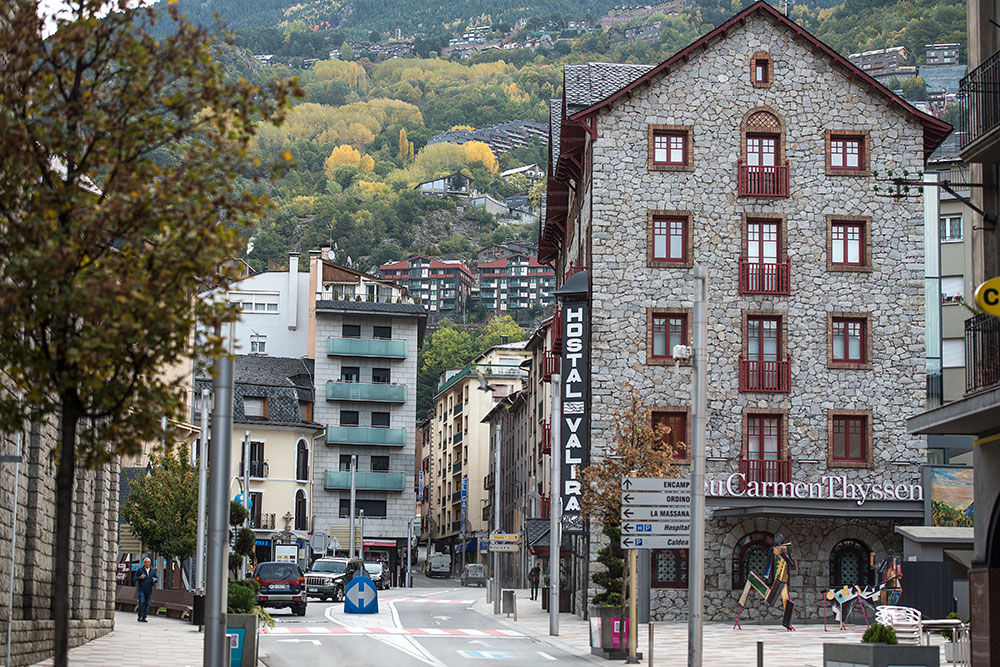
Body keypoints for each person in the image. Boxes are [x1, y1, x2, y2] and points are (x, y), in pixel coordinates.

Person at [135, 557, 158, 622]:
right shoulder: (140, 570)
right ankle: (140, 616)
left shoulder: (152, 570)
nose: (147, 563)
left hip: (149, 589)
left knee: (147, 603)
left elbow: (156, 578)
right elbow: (135, 578)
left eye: (148, 562)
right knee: (142, 602)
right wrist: (140, 577)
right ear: (144, 563)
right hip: (142, 588)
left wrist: (155, 580)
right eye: (146, 562)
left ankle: (144, 617)